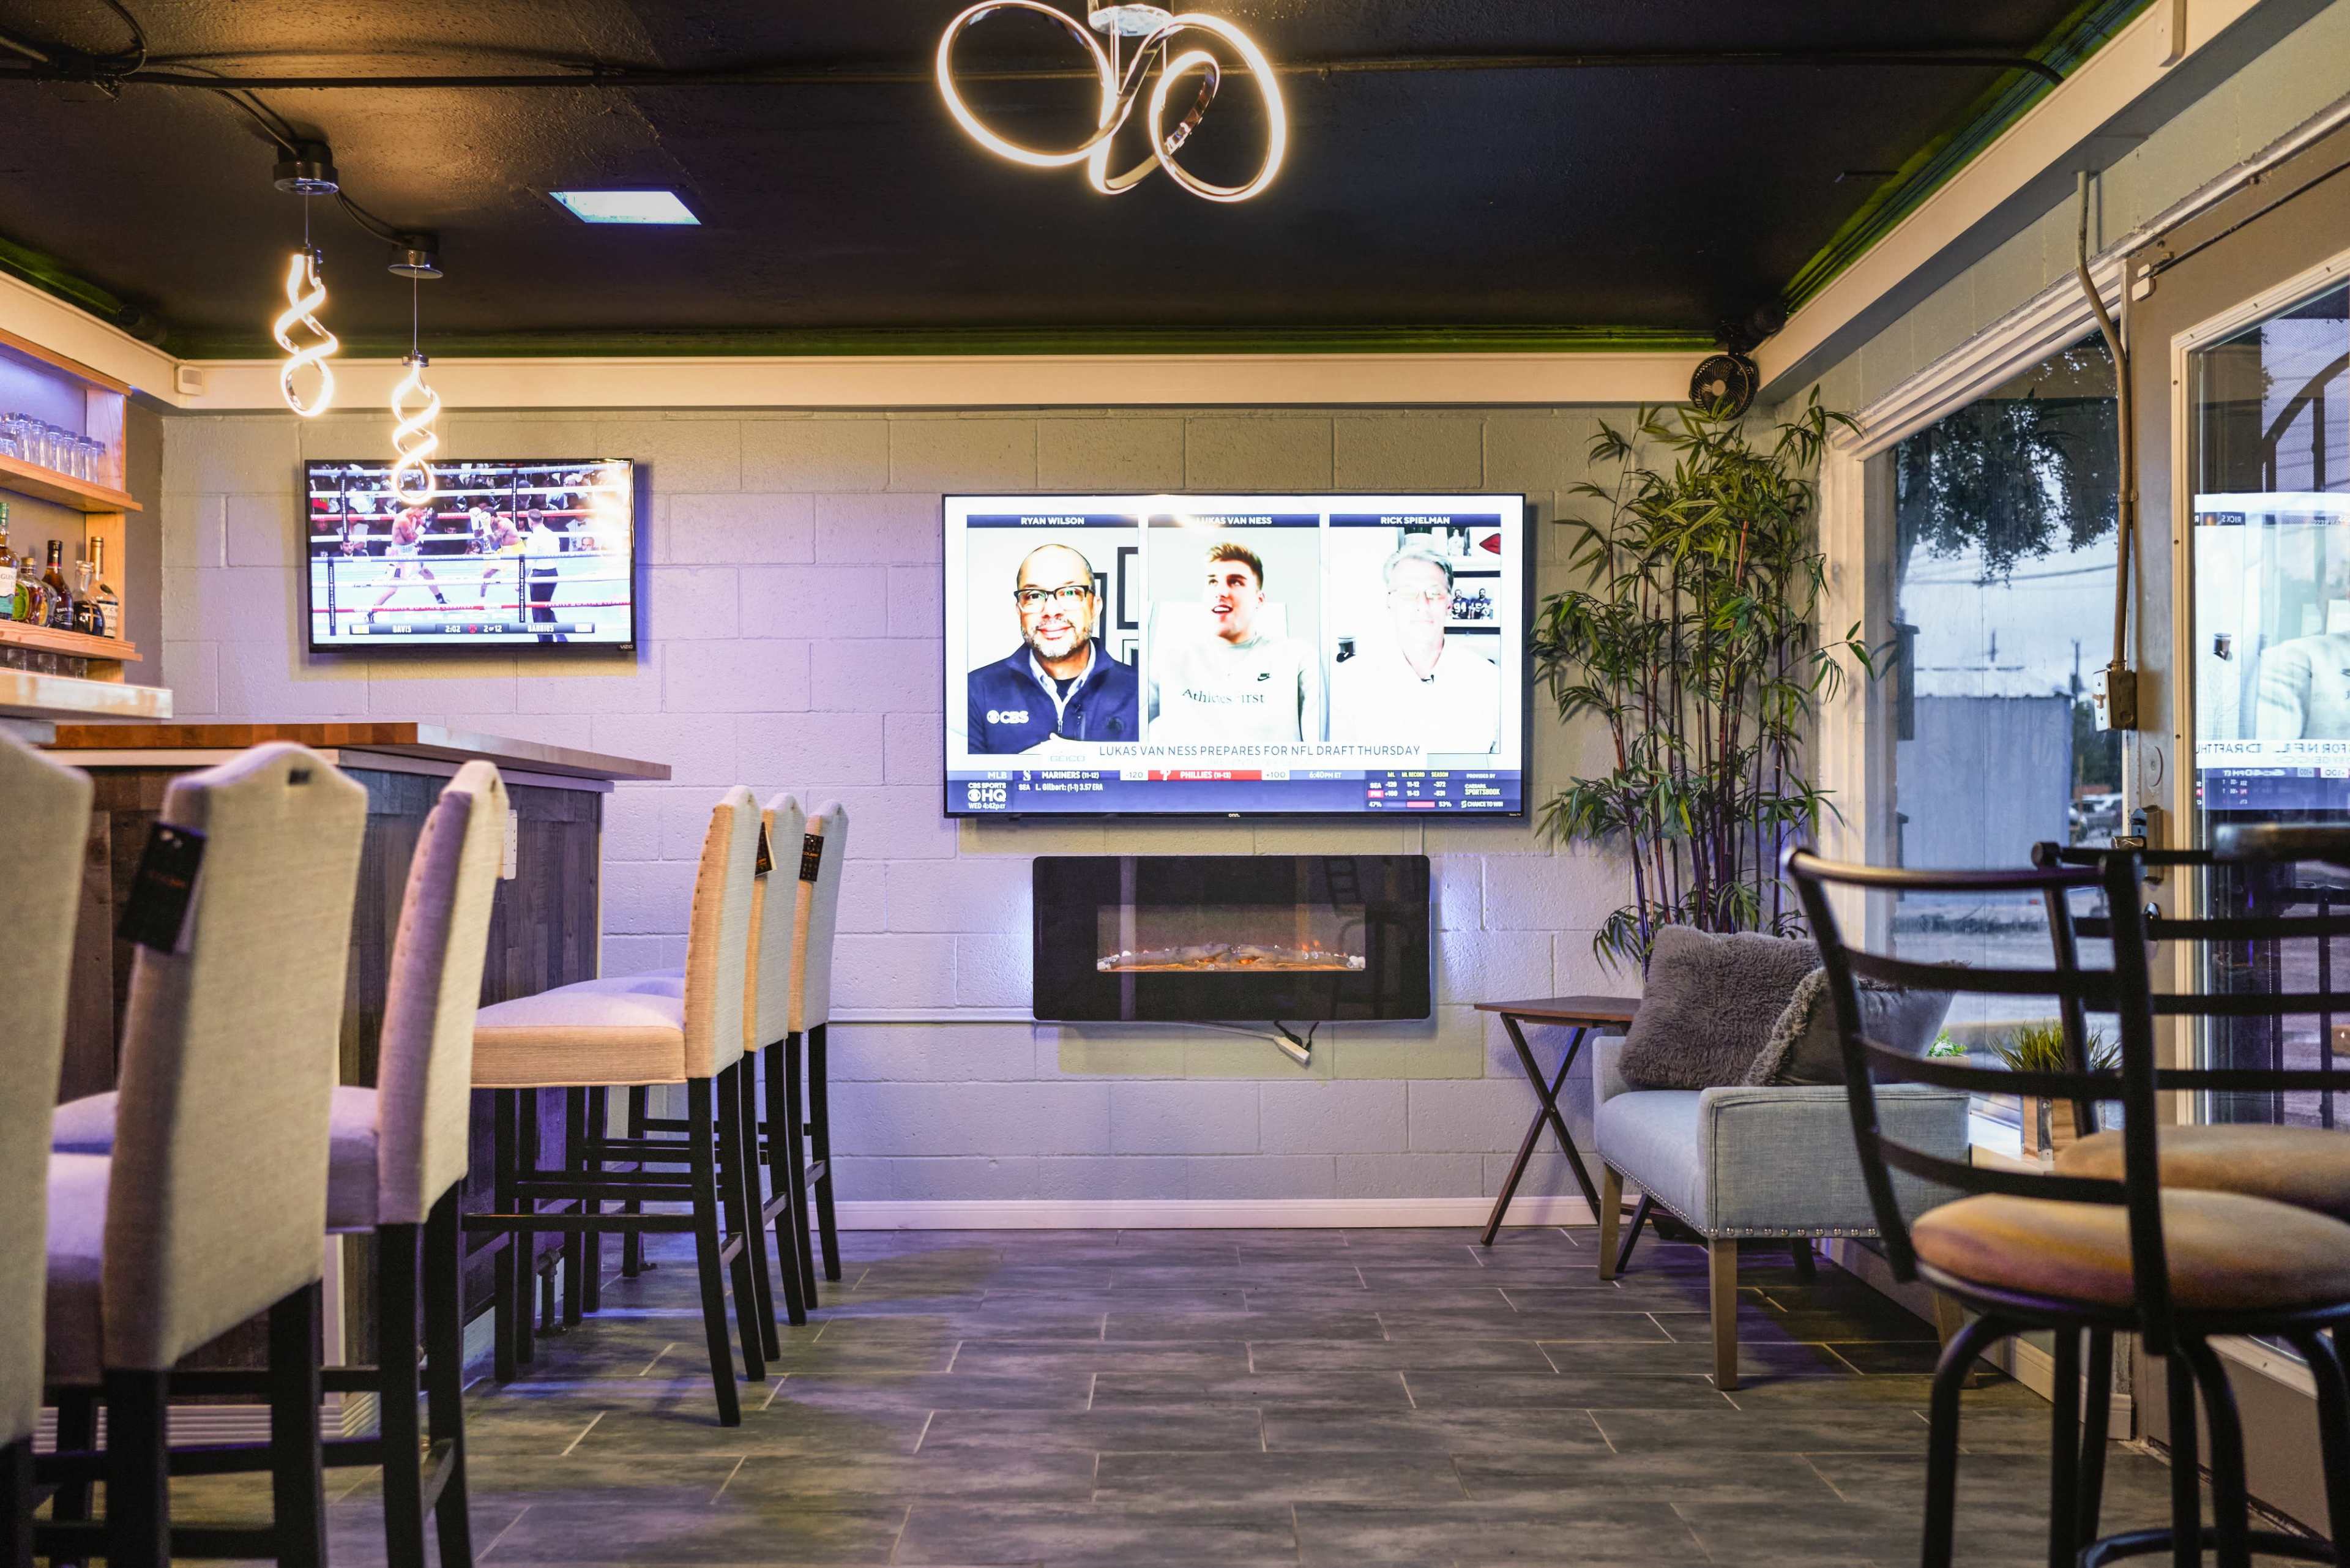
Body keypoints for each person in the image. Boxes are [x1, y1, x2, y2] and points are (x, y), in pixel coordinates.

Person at [1329, 542, 1502, 754]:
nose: (1422, 604)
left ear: (1449, 603)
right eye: (1408, 593)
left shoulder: (1490, 680)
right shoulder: (1352, 681)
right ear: (1389, 602)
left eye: (1434, 593)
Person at [966, 543, 1139, 752]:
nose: (1051, 610)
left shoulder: (1140, 693)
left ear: (1095, 607)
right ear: (1019, 610)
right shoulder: (975, 691)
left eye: (1069, 593)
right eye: (1034, 595)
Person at [1146, 540, 1323, 742]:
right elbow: (1124, 734)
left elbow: (1317, 756)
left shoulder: (1297, 658)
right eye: (1213, 582)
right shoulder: (1170, 659)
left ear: (1260, 599)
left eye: (1236, 582)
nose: (1221, 592)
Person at [365, 505, 452, 627]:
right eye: (423, 511)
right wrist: (425, 525)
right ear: (415, 509)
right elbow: (411, 538)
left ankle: (440, 600)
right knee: (392, 589)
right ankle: (371, 612)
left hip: (411, 552)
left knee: (428, 574)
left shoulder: (413, 516)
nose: (423, 514)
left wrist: (423, 521)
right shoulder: (403, 520)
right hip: (399, 556)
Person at [523, 509, 567, 643]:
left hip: (540, 575)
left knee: (539, 611)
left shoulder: (533, 538)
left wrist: (522, 579)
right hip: (553, 573)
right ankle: (560, 637)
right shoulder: (552, 535)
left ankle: (546, 642)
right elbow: (558, 555)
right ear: (542, 520)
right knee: (545, 608)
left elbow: (529, 562)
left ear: (530, 522)